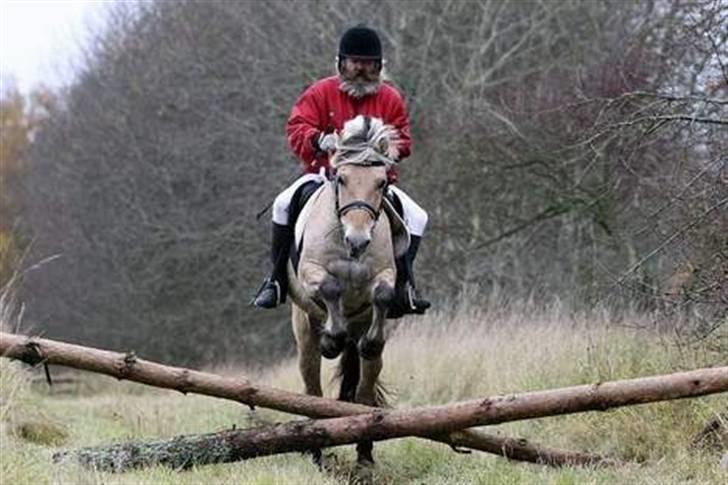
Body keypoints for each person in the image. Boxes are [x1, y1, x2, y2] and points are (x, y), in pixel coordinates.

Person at [252, 24, 430, 318]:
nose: (361, 69)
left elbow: (405, 140)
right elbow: (296, 127)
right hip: (325, 176)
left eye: (368, 64)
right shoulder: (320, 92)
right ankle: (276, 281)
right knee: (283, 204)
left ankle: (404, 288)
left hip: (374, 184)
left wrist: (389, 147)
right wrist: (318, 139)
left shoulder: (390, 98)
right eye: (354, 62)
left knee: (419, 217)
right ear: (341, 63)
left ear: (379, 66)